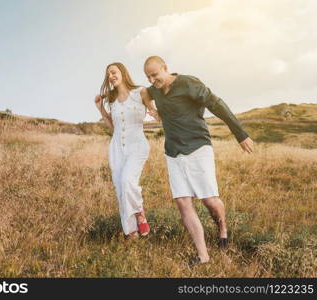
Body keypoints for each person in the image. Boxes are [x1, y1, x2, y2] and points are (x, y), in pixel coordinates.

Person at [142, 56, 254, 264]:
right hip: (173, 152)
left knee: (209, 200)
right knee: (183, 201)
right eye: (148, 76)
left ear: (165, 68)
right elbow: (143, 92)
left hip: (197, 147)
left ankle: (222, 228)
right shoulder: (154, 88)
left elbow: (216, 104)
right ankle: (203, 256)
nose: (152, 80)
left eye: (155, 75)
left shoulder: (188, 83)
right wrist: (153, 108)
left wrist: (240, 134)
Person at [94, 62, 157, 238]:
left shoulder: (141, 92)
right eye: (108, 75)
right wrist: (101, 110)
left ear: (122, 72)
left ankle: (139, 211)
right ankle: (131, 233)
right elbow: (113, 128)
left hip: (137, 145)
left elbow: (154, 110)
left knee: (128, 180)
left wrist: (156, 113)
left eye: (113, 72)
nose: (110, 76)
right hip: (116, 147)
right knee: (120, 187)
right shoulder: (112, 101)